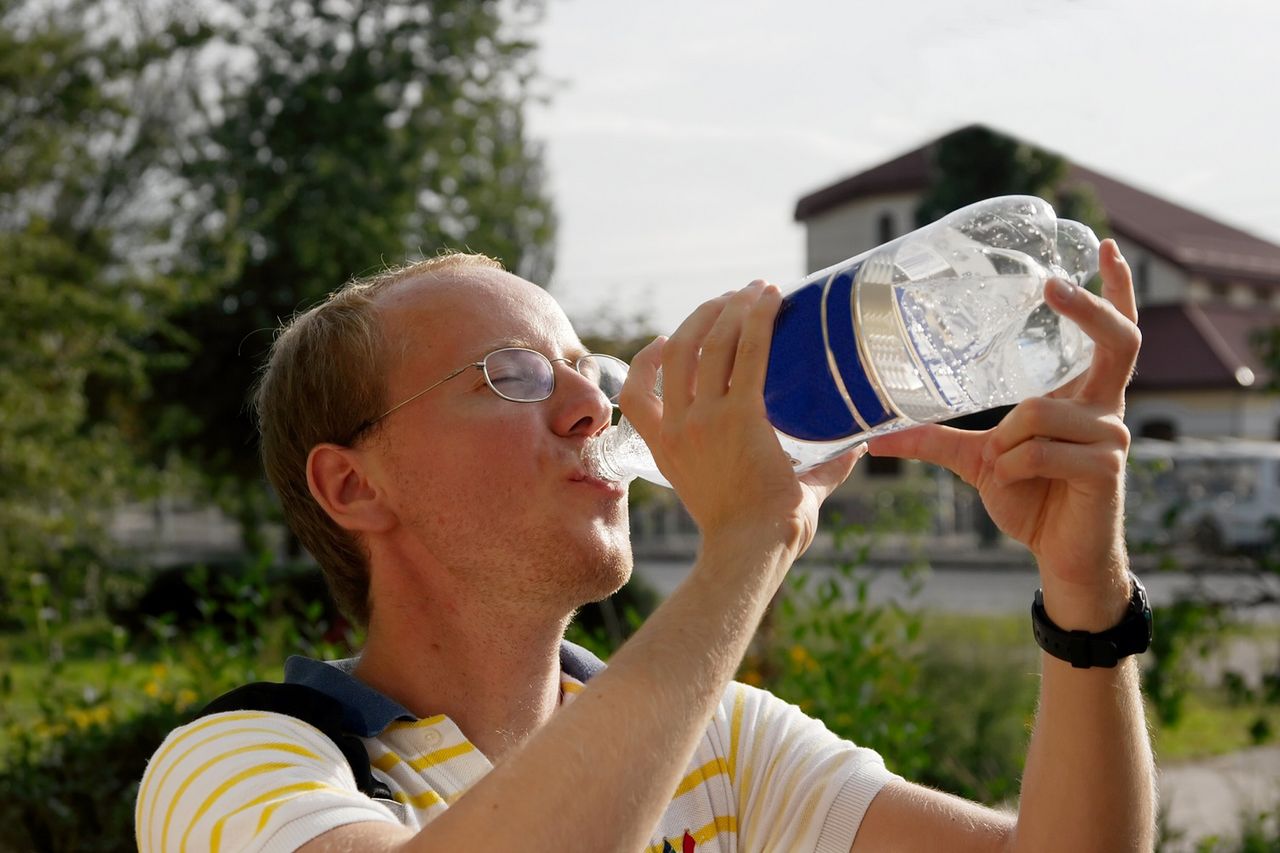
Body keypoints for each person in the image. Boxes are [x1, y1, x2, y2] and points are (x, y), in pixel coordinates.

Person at [136, 240, 1154, 852]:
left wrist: (1084, 592)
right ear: (353, 485)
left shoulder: (719, 739)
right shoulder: (238, 768)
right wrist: (747, 544)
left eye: (590, 368)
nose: (594, 405)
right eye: (511, 374)